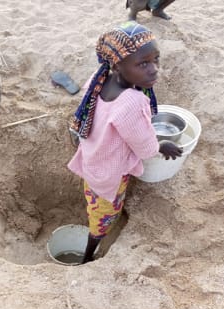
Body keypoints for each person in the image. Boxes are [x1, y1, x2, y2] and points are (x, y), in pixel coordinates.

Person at [68, 21, 182, 263]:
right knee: (102, 218)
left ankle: (92, 229)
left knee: (94, 202)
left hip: (92, 162)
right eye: (143, 64)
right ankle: (88, 255)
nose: (154, 69)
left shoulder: (99, 80)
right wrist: (162, 145)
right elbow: (145, 148)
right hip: (109, 175)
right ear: (118, 65)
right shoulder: (131, 101)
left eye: (156, 60)